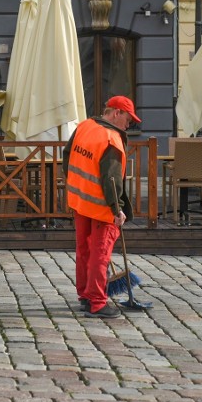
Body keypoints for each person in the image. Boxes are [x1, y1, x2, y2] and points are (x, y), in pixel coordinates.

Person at [62, 96, 150, 319]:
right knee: (100, 254)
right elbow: (112, 179)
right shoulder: (111, 139)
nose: (128, 126)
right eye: (128, 120)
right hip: (101, 207)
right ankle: (97, 303)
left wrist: (74, 183)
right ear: (116, 113)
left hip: (80, 201)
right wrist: (117, 209)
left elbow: (67, 155)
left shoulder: (84, 126)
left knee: (84, 250)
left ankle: (85, 295)